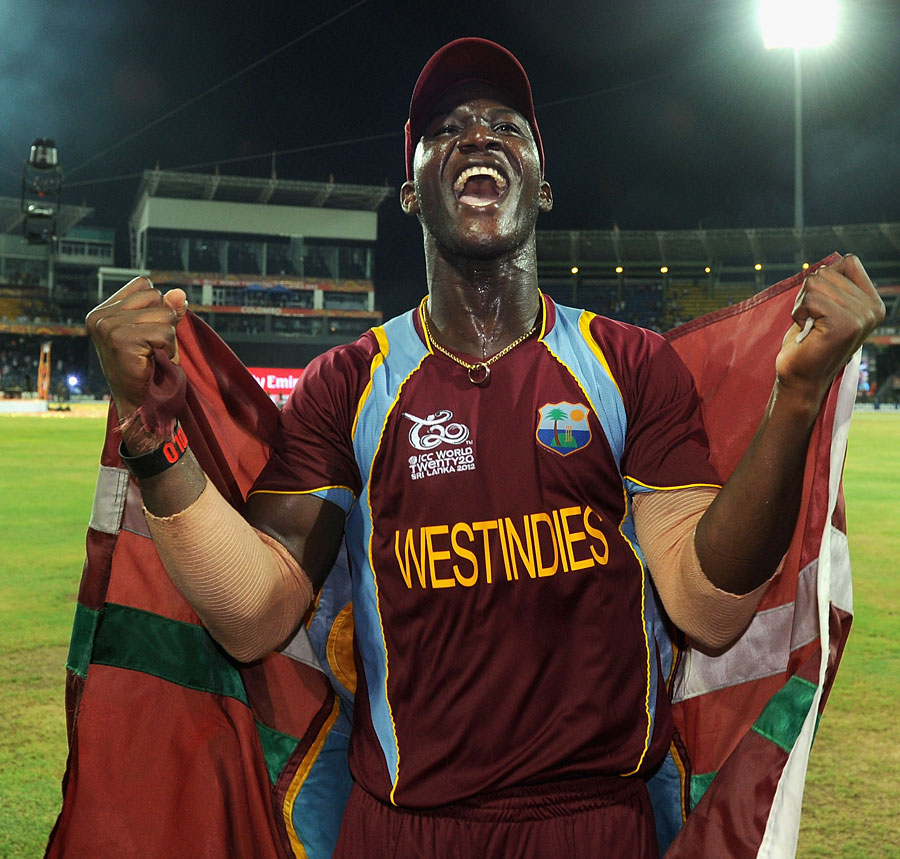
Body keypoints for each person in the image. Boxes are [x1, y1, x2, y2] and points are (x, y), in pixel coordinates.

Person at [86, 37, 884, 859]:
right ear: (409, 193)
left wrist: (795, 398)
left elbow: (706, 608)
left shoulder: (630, 363)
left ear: (542, 185)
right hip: (406, 831)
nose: (477, 135)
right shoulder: (348, 381)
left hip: (594, 826)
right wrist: (155, 447)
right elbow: (256, 615)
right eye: (447, 127)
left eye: (508, 123)